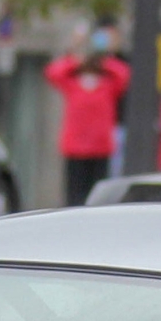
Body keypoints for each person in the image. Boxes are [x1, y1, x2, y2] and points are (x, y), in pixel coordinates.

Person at [46, 23, 130, 206]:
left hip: (100, 148)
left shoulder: (108, 84)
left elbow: (123, 74)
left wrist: (105, 55)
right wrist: (75, 52)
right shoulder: (72, 83)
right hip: (75, 148)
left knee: (98, 198)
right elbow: (53, 72)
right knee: (74, 197)